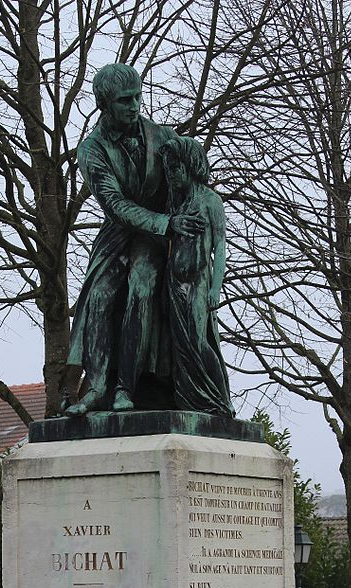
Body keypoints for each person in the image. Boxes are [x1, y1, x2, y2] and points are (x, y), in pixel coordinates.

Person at [63, 64, 204, 416]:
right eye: (125, 100)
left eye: (138, 97)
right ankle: (96, 388)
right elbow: (115, 206)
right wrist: (165, 222)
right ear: (104, 105)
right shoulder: (91, 150)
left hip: (158, 240)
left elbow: (193, 180)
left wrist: (192, 217)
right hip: (120, 235)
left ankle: (127, 387)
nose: (135, 105)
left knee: (142, 285)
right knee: (98, 295)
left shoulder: (164, 136)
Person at [160, 136, 235, 417]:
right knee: (181, 346)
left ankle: (219, 398)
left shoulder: (210, 200)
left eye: (175, 169)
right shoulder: (174, 202)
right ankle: (191, 399)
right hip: (174, 281)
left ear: (190, 166)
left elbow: (221, 246)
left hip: (198, 283)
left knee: (198, 341)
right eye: (168, 169)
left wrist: (216, 287)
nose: (171, 175)